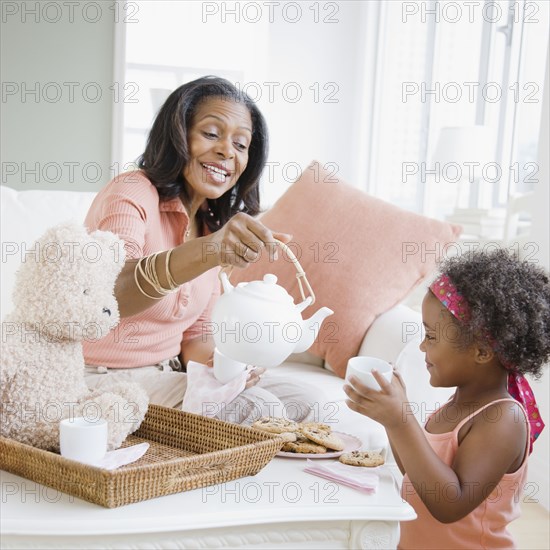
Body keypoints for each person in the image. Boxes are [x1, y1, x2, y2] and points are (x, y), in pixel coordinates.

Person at [82, 76, 316, 424]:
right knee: (260, 410)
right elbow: (112, 296)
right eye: (211, 134)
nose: (227, 151)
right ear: (178, 136)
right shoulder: (131, 192)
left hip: (170, 373)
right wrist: (209, 251)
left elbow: (195, 337)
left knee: (307, 401)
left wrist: (229, 364)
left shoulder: (209, 225)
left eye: (241, 144)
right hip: (104, 378)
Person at [344, 249, 550, 549]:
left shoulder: (503, 419)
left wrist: (401, 422)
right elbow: (418, 477)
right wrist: (390, 418)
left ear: (481, 352)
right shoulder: (454, 406)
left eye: (432, 337)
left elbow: (450, 505)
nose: (422, 347)